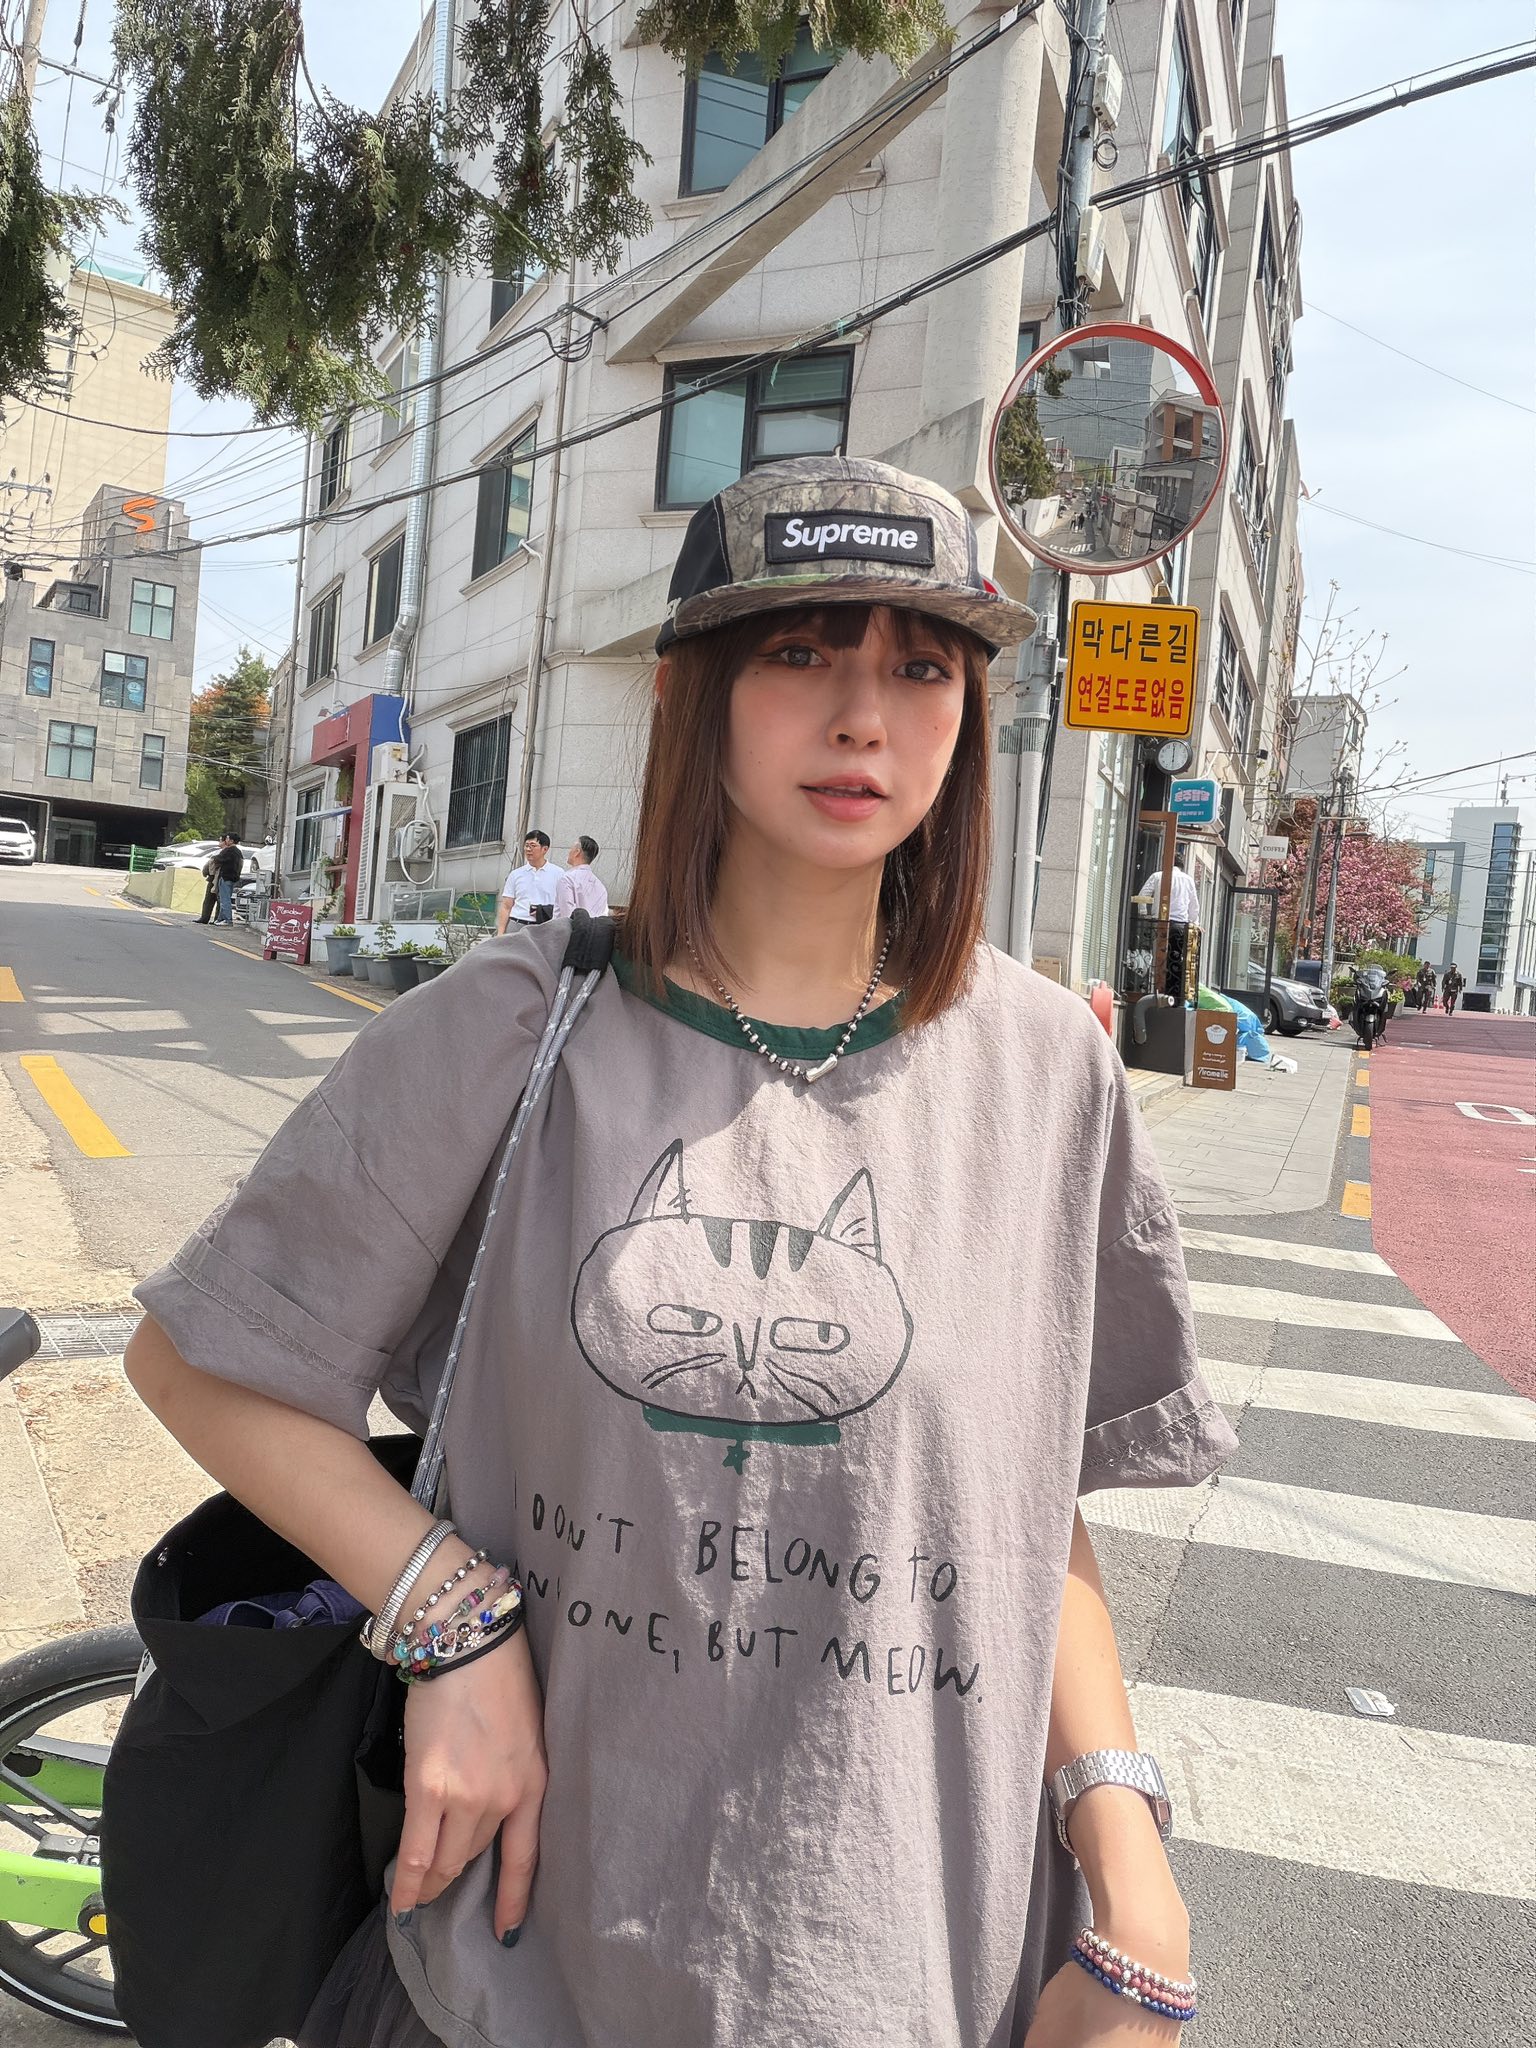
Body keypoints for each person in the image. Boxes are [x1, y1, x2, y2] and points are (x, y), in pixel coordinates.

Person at [123, 456, 1234, 2048]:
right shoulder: (518, 1027)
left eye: (921, 668)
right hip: (521, 1976)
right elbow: (202, 1360)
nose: (863, 719)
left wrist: (1130, 1870)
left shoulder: (1049, 1071)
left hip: (918, 1971)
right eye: (800, 652)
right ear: (687, 694)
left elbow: (1019, 1509)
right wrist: (448, 1618)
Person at [496, 831, 564, 933]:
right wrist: (500, 933)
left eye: (533, 846)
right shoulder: (515, 874)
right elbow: (506, 906)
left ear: (545, 849)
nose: (528, 849)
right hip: (517, 925)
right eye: (526, 845)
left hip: (544, 926)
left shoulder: (558, 873)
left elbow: (563, 903)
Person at [553, 835, 609, 920]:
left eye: (571, 848)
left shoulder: (567, 879)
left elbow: (566, 917)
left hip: (569, 927)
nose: (569, 852)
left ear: (577, 852)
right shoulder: (600, 886)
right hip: (595, 928)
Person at [210, 833, 244, 925]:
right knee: (225, 898)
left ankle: (227, 919)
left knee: (225, 899)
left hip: (225, 876)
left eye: (228, 839)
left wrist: (215, 858)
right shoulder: (238, 852)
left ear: (232, 841)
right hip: (233, 877)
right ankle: (220, 918)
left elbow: (218, 859)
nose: (226, 840)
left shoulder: (229, 851)